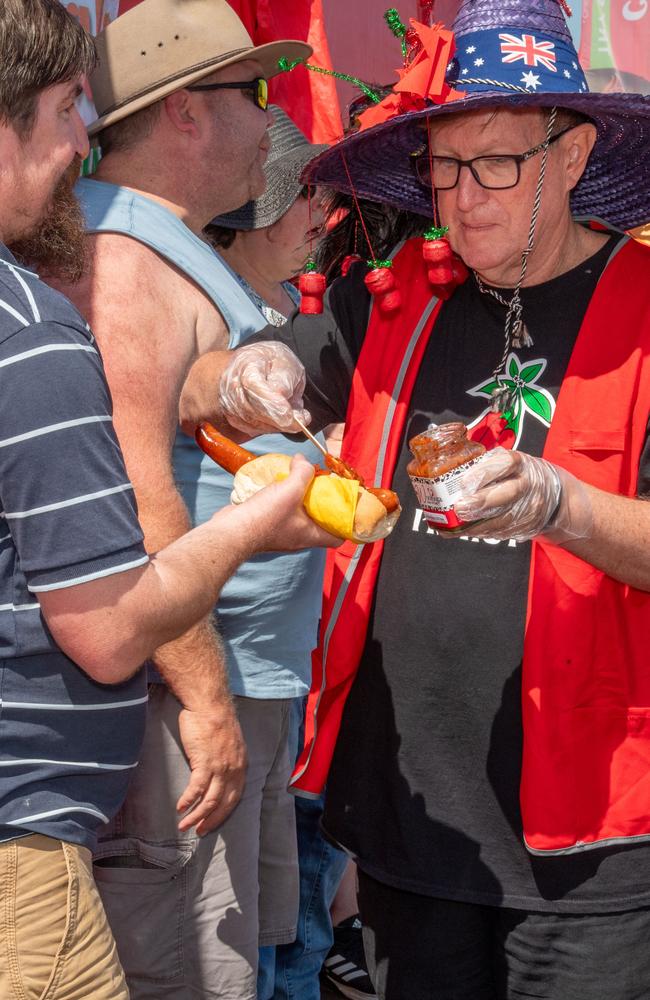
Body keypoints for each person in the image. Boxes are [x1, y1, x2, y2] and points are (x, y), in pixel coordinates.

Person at [180, 1, 650, 997]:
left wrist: (561, 505)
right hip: (407, 819)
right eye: (443, 167)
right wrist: (242, 374)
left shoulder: (643, 310)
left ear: (569, 159)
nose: (461, 200)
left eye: (494, 165)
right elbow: (198, 388)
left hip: (593, 842)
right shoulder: (395, 296)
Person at [0, 2, 335, 999]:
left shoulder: (131, 246)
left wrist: (232, 377)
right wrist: (208, 700)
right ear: (187, 112)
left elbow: (156, 406)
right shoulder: (114, 266)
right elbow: (141, 499)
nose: (266, 121)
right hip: (145, 730)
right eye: (253, 96)